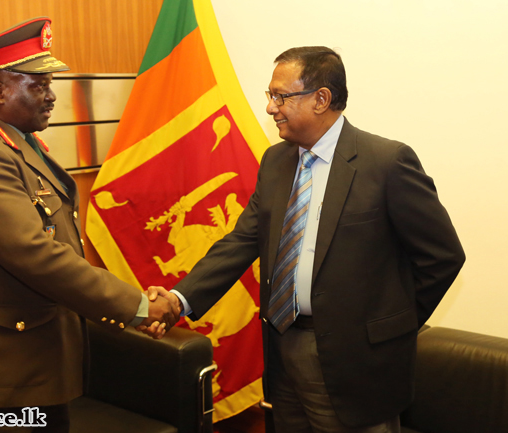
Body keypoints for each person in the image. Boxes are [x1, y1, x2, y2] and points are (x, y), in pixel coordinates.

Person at [153, 46, 465, 432]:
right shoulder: (276, 161)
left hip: (356, 365)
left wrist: (385, 328)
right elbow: (242, 241)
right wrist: (179, 299)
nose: (271, 107)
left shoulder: (386, 163)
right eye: (270, 96)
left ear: (321, 99)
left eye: (281, 96)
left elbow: (443, 257)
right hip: (284, 350)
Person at [0, 17, 177, 432]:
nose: (52, 96)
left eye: (49, 84)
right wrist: (138, 305)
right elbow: (35, 254)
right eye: (38, 84)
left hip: (32, 367)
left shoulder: (19, 146)